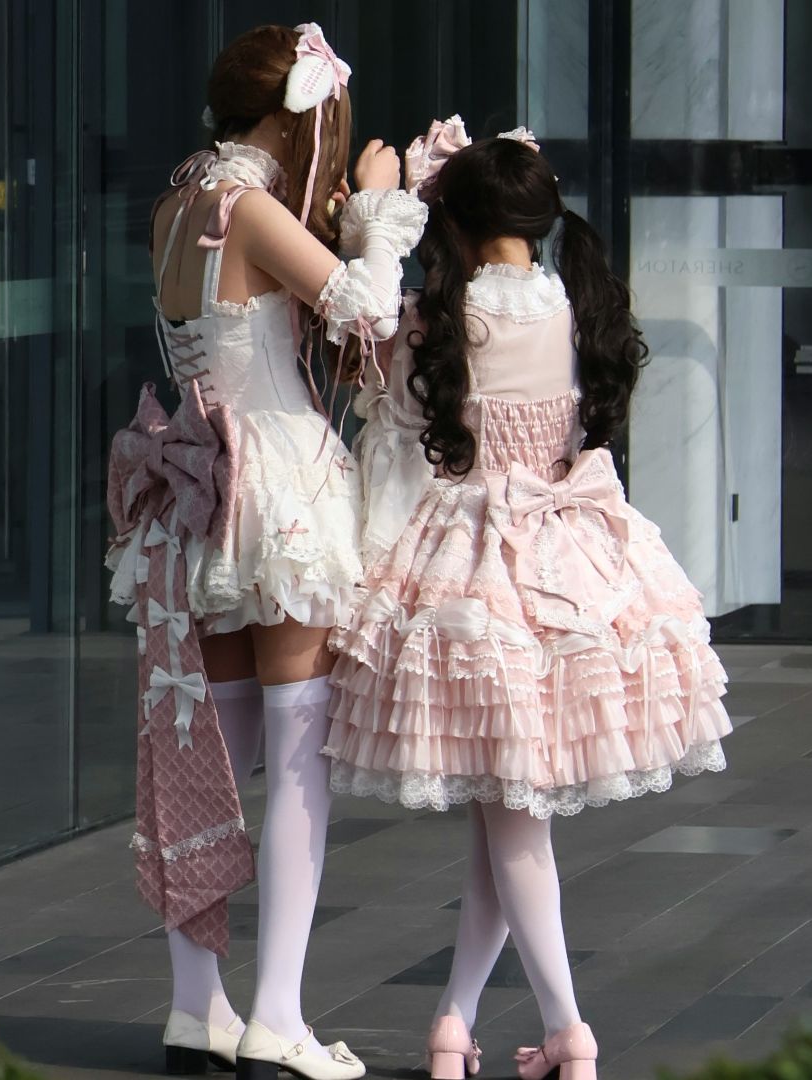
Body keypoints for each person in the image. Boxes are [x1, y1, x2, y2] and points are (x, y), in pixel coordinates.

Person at [327, 129, 734, 1080]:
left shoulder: (436, 318)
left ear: (459, 225)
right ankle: (473, 1026)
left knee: (509, 830)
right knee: (505, 827)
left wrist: (371, 224)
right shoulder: (576, 303)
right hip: (569, 568)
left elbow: (373, 389)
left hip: (473, 577)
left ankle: (558, 1030)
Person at [106, 22, 425, 1080]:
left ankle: (197, 1008)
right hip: (278, 484)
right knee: (296, 754)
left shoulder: (177, 204)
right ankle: (277, 1020)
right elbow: (367, 304)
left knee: (207, 751)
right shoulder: (246, 206)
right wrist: (378, 211)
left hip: (202, 490)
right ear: (293, 117)